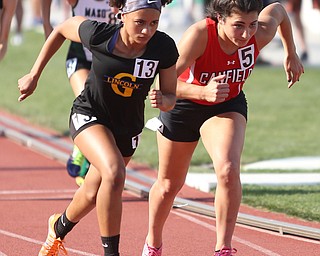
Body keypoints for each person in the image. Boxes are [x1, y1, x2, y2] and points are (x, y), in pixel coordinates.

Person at [141, 0, 304, 256]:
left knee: (228, 169)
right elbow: (164, 85)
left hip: (227, 103)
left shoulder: (258, 33)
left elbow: (280, 12)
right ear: (220, 18)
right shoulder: (199, 35)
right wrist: (202, 92)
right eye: (238, 26)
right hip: (183, 106)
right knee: (169, 184)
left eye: (251, 25)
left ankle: (223, 248)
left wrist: (291, 52)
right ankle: (153, 243)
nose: (246, 34)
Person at [17, 0, 178, 255]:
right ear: (122, 15)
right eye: (140, 23)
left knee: (93, 192)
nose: (147, 30)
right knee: (114, 173)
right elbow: (61, 30)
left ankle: (57, 229)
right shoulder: (99, 34)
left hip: (127, 127)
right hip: (89, 115)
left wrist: (165, 101)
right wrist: (34, 75)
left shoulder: (163, 47)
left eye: (153, 23)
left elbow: (171, 96)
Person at [41, 0, 119, 186]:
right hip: (80, 59)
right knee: (88, 99)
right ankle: (81, 149)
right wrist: (46, 22)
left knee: (109, 113)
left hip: (108, 63)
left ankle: (91, 163)